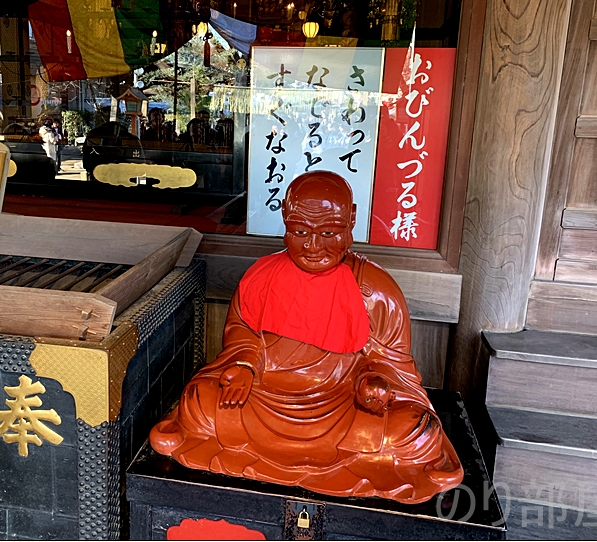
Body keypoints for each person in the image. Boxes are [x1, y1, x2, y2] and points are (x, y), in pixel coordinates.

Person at [151, 171, 464, 503]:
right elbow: (243, 333)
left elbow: (392, 364)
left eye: (328, 232)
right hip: (268, 394)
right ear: (285, 218)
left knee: (416, 429)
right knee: (199, 400)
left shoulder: (376, 291)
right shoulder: (262, 276)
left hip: (343, 401)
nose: (314, 246)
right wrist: (244, 366)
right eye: (300, 231)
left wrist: (375, 381)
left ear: (352, 219)